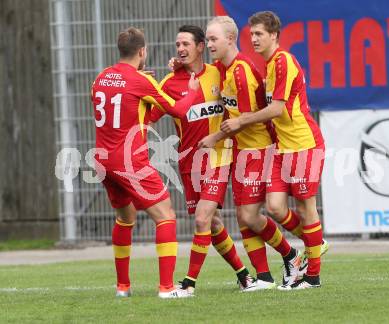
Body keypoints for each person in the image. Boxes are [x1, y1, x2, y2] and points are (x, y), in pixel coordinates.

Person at [220, 11, 327, 289]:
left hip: (304, 144)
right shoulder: (268, 65)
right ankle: (315, 244)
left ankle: (312, 276)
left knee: (306, 209)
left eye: (259, 34)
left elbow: (277, 109)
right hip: (282, 148)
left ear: (274, 36)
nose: (253, 39)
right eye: (252, 34)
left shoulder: (283, 62)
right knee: (275, 207)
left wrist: (242, 120)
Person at [90, 27, 199, 298]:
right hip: (129, 161)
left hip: (103, 161)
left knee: (125, 218)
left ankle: (123, 288)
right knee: (166, 216)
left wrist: (140, 89)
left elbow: (115, 105)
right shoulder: (141, 81)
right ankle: (166, 287)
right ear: (142, 51)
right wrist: (193, 92)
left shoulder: (101, 77)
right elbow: (178, 110)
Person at [149, 25, 256, 295]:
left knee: (201, 220)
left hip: (219, 156)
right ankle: (245, 276)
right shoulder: (170, 83)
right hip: (189, 163)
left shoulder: (219, 74)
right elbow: (148, 117)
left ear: (199, 48)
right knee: (212, 223)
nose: (181, 49)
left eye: (186, 44)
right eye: (177, 45)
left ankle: (188, 283)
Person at [199, 16, 302, 289]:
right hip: (241, 150)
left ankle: (292, 254)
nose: (209, 44)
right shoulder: (223, 69)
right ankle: (264, 278)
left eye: (213, 39)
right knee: (243, 218)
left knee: (249, 216)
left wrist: (215, 136)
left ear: (230, 40)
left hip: (257, 149)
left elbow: (243, 119)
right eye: (207, 39)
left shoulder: (242, 71)